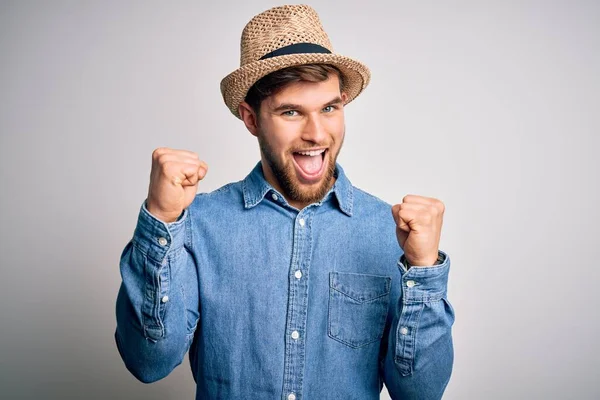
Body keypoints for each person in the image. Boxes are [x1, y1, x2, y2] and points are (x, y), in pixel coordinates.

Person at [115, 4, 454, 399]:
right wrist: (160, 218)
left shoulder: (390, 233)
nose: (316, 133)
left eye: (329, 108)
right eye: (291, 111)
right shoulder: (198, 224)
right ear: (252, 119)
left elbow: (421, 393)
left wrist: (424, 270)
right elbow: (148, 362)